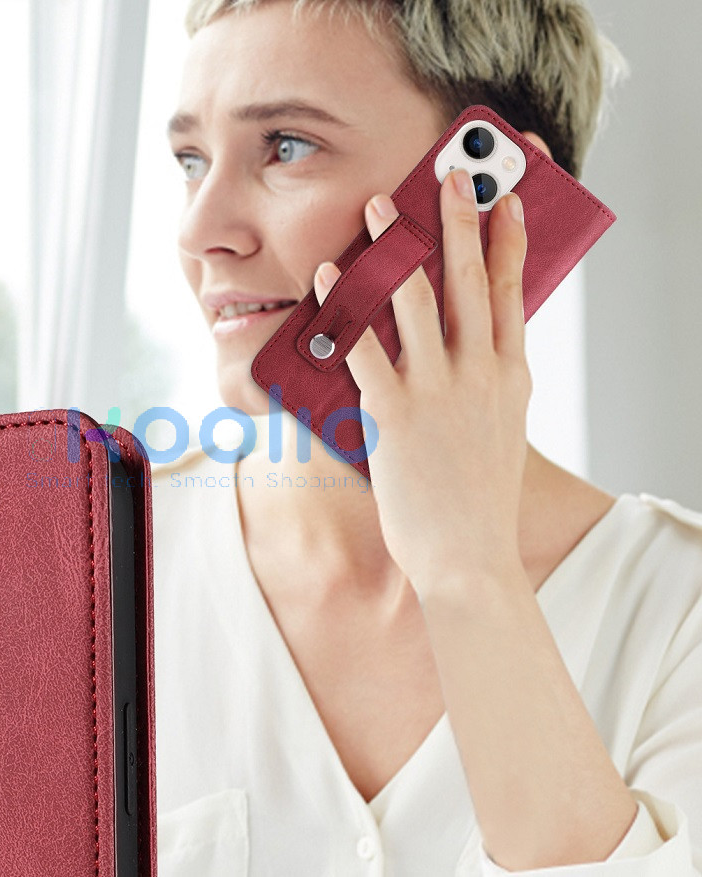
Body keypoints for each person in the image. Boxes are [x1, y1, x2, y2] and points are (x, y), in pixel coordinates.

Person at [150, 1, 702, 874]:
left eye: (286, 146)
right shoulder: (101, 566)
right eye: (191, 160)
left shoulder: (679, 612)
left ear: (497, 200)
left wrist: (468, 570)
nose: (199, 232)